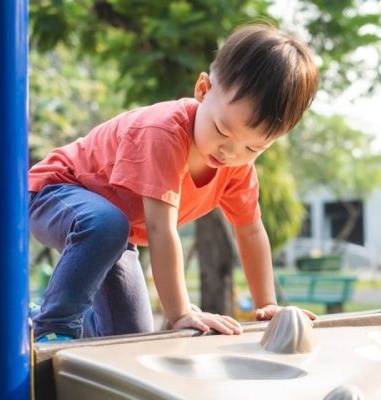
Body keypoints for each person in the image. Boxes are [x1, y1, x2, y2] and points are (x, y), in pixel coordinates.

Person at [28, 24, 319, 342]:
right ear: (203, 90)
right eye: (222, 129)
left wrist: (267, 305)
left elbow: (250, 230)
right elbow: (161, 229)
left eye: (253, 148)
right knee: (108, 224)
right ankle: (53, 326)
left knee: (129, 337)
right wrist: (180, 313)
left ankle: (34, 318)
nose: (230, 151)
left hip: (114, 234)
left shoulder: (237, 167)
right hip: (56, 191)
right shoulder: (164, 134)